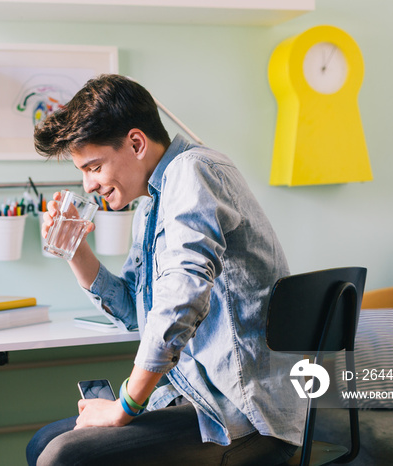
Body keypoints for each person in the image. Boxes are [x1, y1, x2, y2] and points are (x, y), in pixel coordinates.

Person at [26, 74, 304, 466]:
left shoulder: (194, 171)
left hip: (245, 413)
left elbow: (181, 297)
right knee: (42, 442)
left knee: (62, 456)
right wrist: (75, 250)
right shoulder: (149, 204)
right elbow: (136, 312)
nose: (87, 186)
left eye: (94, 167)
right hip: (194, 395)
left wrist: (126, 405)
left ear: (136, 143)